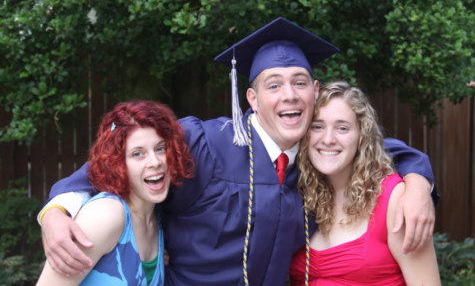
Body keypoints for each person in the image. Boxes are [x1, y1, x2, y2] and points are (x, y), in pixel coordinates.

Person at [38, 18, 437, 285]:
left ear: (315, 93)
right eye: (274, 85)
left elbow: (375, 147)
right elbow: (115, 160)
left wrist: (418, 182)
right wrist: (56, 213)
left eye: (300, 82)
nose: (289, 95)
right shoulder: (201, 143)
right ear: (251, 97)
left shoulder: (316, 154)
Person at [289, 82, 440, 285]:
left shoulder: (395, 199)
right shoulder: (299, 195)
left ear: (362, 136)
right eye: (317, 126)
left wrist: (419, 184)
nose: (328, 139)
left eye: (342, 128)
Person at [37, 100, 194, 285]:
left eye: (161, 149)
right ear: (118, 164)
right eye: (138, 153)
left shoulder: (157, 216)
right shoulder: (106, 214)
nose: (155, 161)